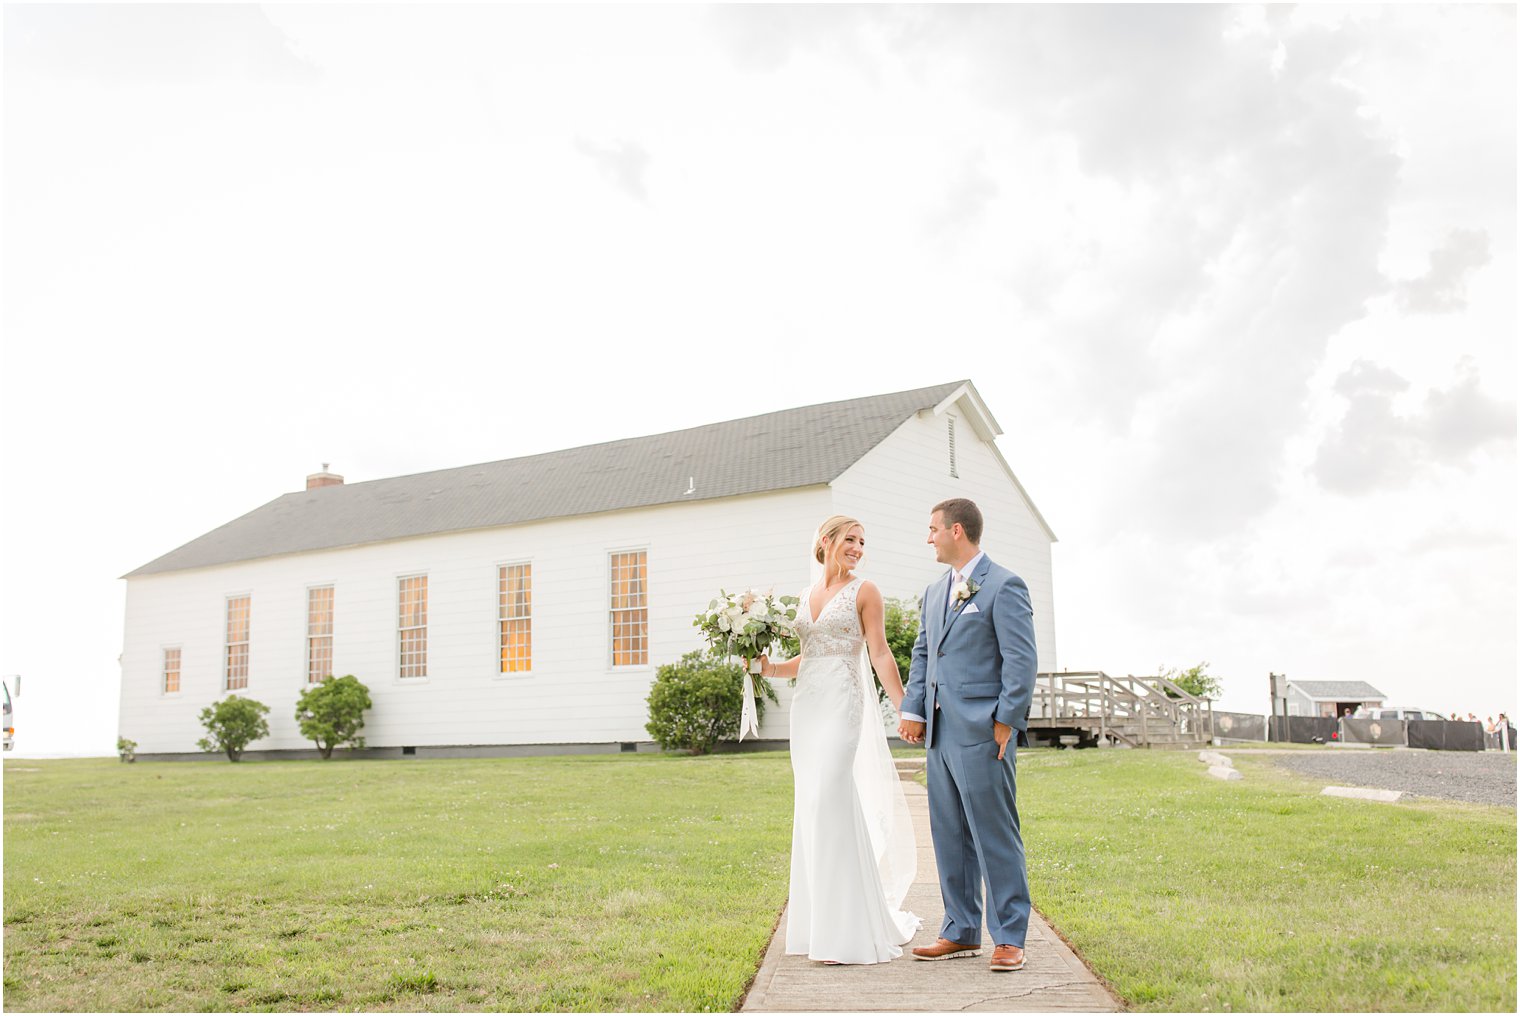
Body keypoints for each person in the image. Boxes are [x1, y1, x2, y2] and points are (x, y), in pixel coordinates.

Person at [755, 515, 920, 964]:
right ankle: (817, 928)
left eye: (862, 542)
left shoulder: (865, 591)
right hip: (807, 709)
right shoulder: (805, 596)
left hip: (843, 702)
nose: (858, 548)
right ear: (826, 541)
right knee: (812, 805)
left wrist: (906, 706)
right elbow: (805, 658)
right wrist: (767, 667)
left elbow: (879, 651)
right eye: (850, 539)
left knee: (830, 793)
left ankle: (847, 931)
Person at [897, 498, 1038, 974]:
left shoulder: (1004, 585)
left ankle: (1009, 936)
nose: (928, 537)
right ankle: (960, 930)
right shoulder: (935, 592)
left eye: (932, 528)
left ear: (957, 531)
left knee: (994, 833)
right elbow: (922, 654)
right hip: (939, 732)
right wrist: (912, 708)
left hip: (984, 731)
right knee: (949, 834)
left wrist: (1006, 720)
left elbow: (1021, 661)